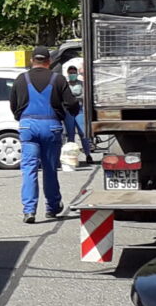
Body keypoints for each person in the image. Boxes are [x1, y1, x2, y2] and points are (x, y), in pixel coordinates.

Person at [9, 45, 79, 224]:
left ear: (32, 61)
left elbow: (13, 105)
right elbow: (72, 104)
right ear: (49, 61)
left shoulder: (21, 79)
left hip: (28, 127)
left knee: (29, 170)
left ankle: (29, 210)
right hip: (51, 127)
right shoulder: (58, 79)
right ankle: (52, 207)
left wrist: (22, 118)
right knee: (49, 169)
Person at [62, 65, 93, 164]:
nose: (72, 75)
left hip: (79, 110)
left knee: (83, 133)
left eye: (74, 73)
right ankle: (70, 156)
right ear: (67, 74)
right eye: (70, 73)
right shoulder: (65, 85)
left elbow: (85, 95)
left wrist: (75, 97)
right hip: (68, 111)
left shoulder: (82, 84)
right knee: (70, 135)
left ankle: (88, 154)